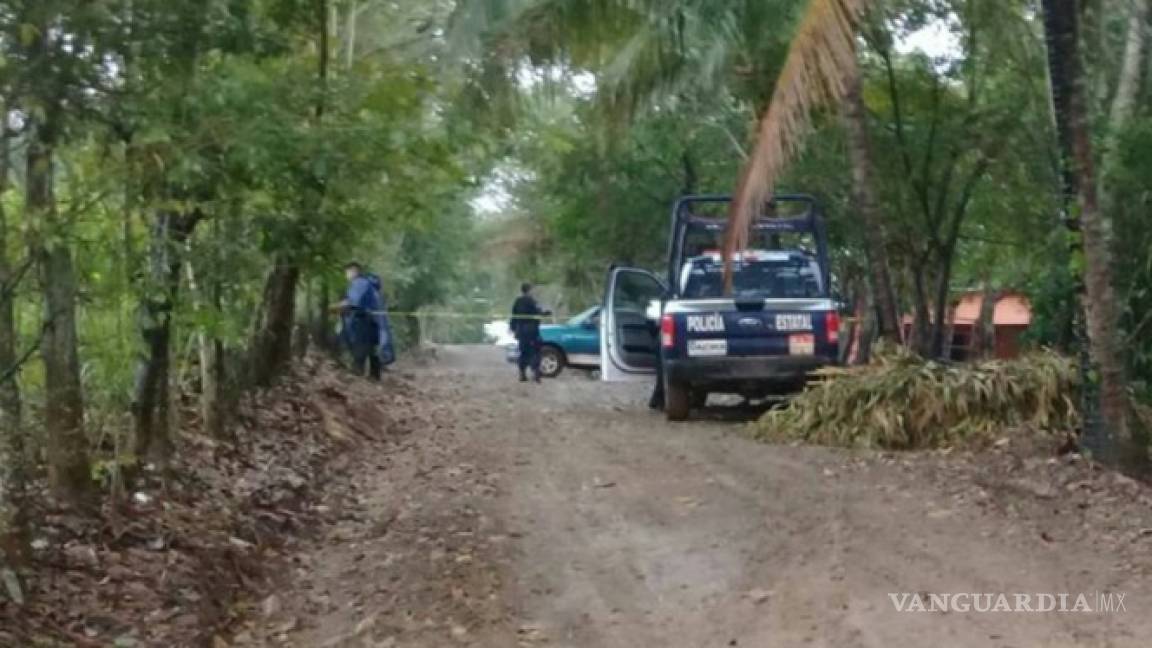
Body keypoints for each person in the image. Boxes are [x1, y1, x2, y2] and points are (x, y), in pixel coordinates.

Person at [334, 262, 383, 379]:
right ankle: (374, 375)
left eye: (347, 272)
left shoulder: (359, 284)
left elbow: (353, 302)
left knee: (360, 346)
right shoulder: (367, 284)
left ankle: (358, 373)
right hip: (371, 321)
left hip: (362, 321)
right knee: (371, 348)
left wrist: (336, 307)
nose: (346, 275)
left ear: (354, 271)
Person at [510, 283, 551, 382]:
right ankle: (535, 373)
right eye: (532, 290)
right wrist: (546, 313)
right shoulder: (532, 301)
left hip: (521, 330)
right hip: (531, 330)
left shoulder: (517, 301)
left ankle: (522, 374)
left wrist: (513, 328)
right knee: (535, 350)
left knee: (523, 351)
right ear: (529, 290)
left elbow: (514, 315)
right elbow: (538, 312)